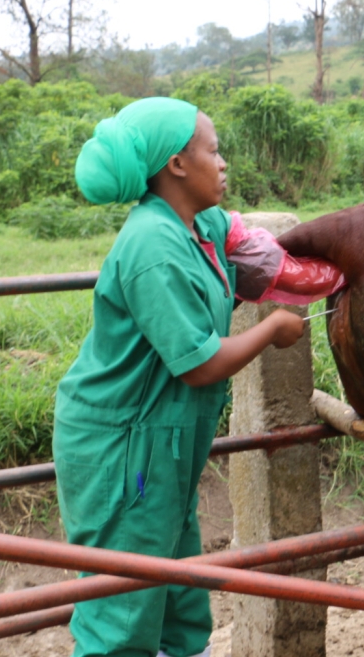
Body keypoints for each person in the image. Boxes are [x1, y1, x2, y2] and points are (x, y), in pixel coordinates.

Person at [54, 97, 305, 657]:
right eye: (213, 152)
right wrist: (270, 330)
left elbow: (249, 247)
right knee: (121, 613)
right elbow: (198, 366)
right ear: (175, 165)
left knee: (180, 596)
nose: (224, 165)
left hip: (165, 444)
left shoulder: (196, 225)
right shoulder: (152, 245)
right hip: (124, 447)